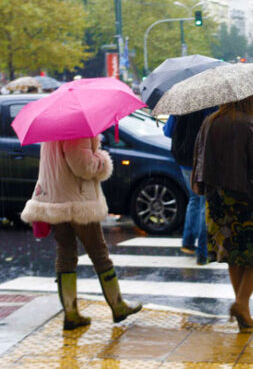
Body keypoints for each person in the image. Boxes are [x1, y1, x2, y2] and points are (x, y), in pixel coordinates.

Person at [21, 136, 141, 330]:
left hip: (55, 199)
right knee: (99, 253)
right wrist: (102, 159)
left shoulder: (53, 128)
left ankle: (71, 313)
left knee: (66, 253)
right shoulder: (78, 130)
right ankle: (118, 306)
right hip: (79, 200)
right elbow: (83, 167)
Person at [192, 92, 253, 333]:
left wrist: (201, 187)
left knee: (234, 254)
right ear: (250, 98)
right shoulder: (250, 124)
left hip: (217, 197)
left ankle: (243, 309)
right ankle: (242, 303)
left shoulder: (210, 121)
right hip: (245, 197)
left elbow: (198, 157)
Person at [163, 108, 214, 265]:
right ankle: (203, 252)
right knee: (204, 201)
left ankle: (188, 242)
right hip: (203, 158)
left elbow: (168, 131)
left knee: (194, 199)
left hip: (184, 159)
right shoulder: (211, 105)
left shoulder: (181, 103)